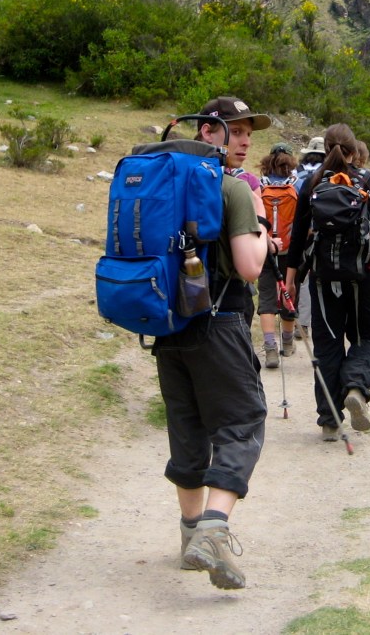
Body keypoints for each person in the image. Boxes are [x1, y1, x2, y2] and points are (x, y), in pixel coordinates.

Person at [153, 96, 271, 590]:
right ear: (208, 132)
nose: (245, 141)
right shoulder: (232, 190)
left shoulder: (160, 185)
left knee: (187, 431)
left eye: (249, 132)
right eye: (236, 130)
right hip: (219, 324)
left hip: (166, 327)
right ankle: (214, 530)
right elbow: (250, 267)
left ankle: (188, 537)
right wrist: (262, 228)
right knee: (243, 423)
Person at [284, 123, 370, 441]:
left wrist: (291, 277)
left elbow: (297, 236)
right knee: (364, 338)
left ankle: (328, 420)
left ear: (326, 150)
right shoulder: (368, 181)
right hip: (364, 275)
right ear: (354, 151)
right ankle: (355, 386)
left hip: (324, 278)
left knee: (327, 346)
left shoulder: (311, 183)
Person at [256, 142, 300, 367]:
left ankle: (270, 349)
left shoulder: (259, 186)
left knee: (266, 299)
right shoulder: (297, 184)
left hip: (265, 249)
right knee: (289, 295)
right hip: (291, 251)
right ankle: (288, 343)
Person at [290, 136, 326, 341]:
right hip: (324, 231)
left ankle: (302, 323)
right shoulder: (328, 174)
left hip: (301, 232)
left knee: (302, 277)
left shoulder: (297, 174)